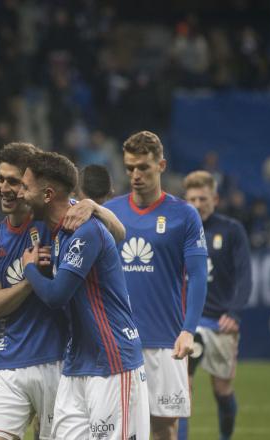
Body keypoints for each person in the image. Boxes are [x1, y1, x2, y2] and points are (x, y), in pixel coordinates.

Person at [0, 143, 126, 440]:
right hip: (7, 363)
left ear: (33, 187)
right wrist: (31, 278)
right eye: (0, 179)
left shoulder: (59, 222)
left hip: (58, 362)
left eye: (15, 182)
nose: (5, 188)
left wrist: (94, 206)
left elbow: (118, 235)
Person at [19, 151, 149, 440]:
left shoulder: (84, 230)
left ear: (48, 194)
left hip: (113, 361)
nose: (21, 193)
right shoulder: (65, 220)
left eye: (26, 187)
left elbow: (56, 296)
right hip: (78, 362)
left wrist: (29, 269)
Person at [105, 131, 208, 440]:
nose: (135, 175)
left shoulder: (184, 216)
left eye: (144, 168)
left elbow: (199, 275)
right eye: (130, 168)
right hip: (118, 341)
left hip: (166, 340)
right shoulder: (110, 214)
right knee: (116, 428)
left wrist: (189, 330)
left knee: (163, 428)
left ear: (161, 165)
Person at [179, 170, 252, 440]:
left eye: (203, 198)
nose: (198, 204)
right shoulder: (180, 229)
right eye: (192, 199)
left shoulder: (232, 231)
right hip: (186, 322)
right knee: (182, 392)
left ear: (215, 199)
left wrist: (234, 312)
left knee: (222, 391)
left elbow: (244, 276)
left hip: (219, 321)